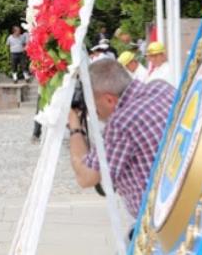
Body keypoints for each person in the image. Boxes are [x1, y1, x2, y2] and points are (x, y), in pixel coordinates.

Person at [67, 59, 173, 218]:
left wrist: (74, 124)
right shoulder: (161, 88)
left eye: (92, 105)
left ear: (109, 99)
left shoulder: (122, 123)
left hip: (159, 222)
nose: (92, 112)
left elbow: (85, 176)